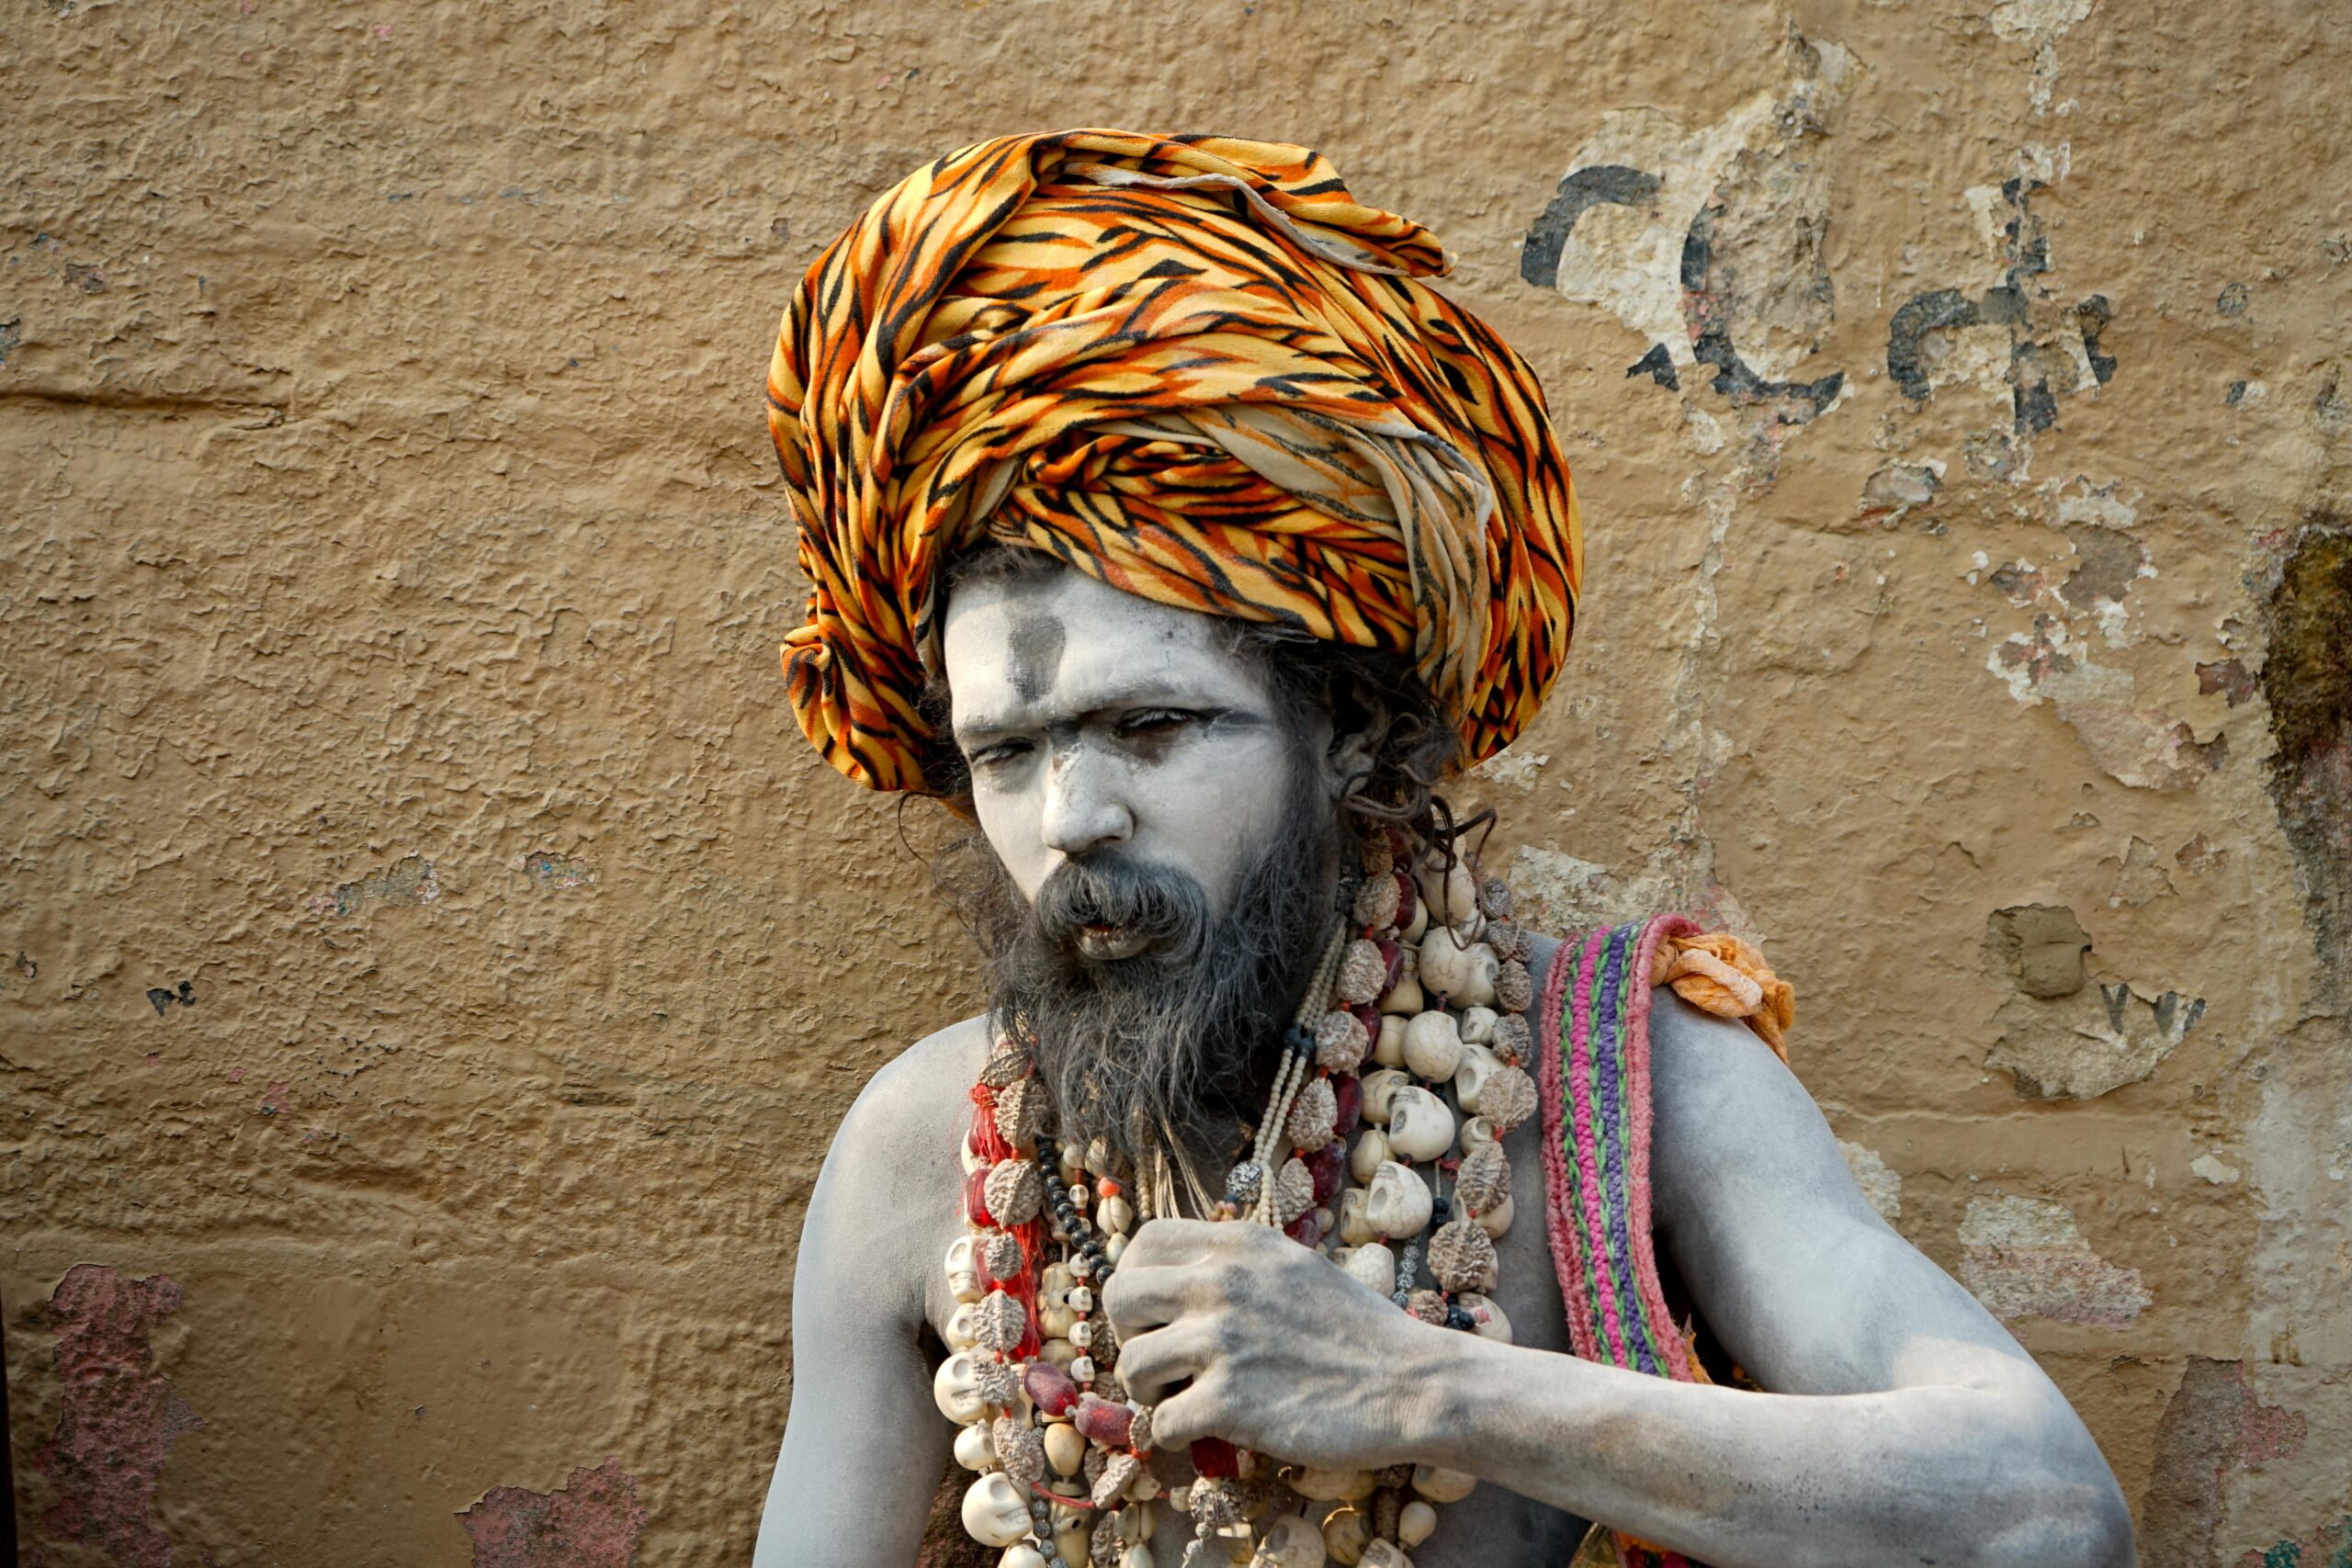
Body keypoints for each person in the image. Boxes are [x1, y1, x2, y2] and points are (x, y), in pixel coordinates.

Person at [751, 130, 2132, 1568]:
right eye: (1006, 753)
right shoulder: (928, 1146)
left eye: (1151, 726)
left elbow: (2043, 1518)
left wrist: (1422, 1386)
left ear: (1347, 730)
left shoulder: (1626, 1080)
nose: (1070, 817)